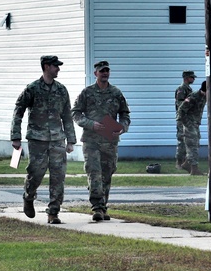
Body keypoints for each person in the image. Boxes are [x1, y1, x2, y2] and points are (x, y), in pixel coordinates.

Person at [11, 55, 77, 224]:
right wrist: (15, 136)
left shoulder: (62, 90)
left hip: (57, 139)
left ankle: (53, 212)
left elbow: (67, 116)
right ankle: (29, 196)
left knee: (58, 176)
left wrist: (70, 140)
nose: (58, 69)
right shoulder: (32, 88)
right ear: (47, 66)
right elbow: (18, 111)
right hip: (37, 139)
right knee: (36, 173)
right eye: (56, 66)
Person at [72, 60, 131, 222]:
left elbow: (125, 114)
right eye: (101, 71)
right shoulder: (87, 93)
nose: (104, 73)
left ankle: (103, 205)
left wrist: (122, 127)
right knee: (94, 172)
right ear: (95, 73)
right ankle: (97, 207)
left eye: (107, 71)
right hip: (91, 140)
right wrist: (91, 124)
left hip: (110, 141)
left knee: (107, 173)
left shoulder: (116, 93)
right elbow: (75, 113)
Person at [176, 80, 207, 176]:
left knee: (196, 144)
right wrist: (188, 124)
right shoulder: (193, 97)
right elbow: (181, 111)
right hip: (190, 124)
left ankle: (186, 164)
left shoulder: (204, 97)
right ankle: (194, 169)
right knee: (192, 146)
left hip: (195, 124)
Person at [174, 70, 196, 171]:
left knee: (187, 140)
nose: (193, 79)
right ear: (186, 78)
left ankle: (185, 162)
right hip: (182, 119)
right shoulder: (181, 89)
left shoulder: (188, 89)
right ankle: (179, 162)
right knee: (181, 140)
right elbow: (180, 105)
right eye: (192, 77)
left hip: (188, 118)